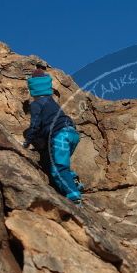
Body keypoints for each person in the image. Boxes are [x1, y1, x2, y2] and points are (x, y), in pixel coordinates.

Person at [22, 68, 84, 201]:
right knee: (61, 162)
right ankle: (73, 180)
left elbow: (35, 125)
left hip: (60, 136)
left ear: (33, 88)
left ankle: (74, 197)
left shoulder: (36, 104)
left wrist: (27, 141)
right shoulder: (52, 102)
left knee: (57, 169)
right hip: (72, 134)